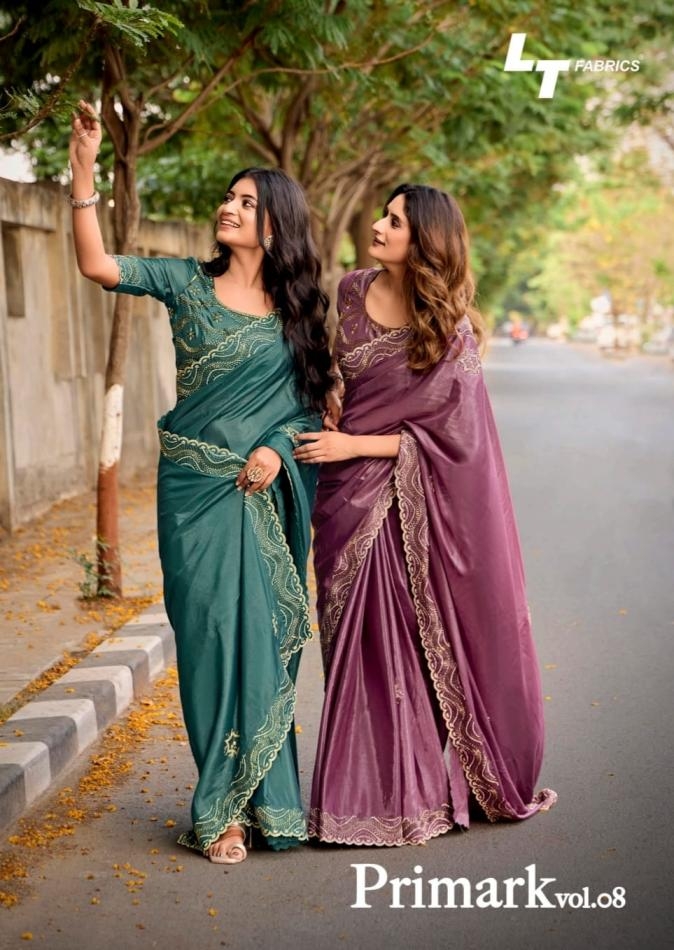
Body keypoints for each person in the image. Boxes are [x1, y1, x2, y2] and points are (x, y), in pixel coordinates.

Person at [69, 101, 333, 862]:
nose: (229, 207)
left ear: (275, 225)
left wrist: (278, 449)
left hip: (261, 494)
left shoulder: (298, 315)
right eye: (229, 196)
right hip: (194, 492)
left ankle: (260, 807)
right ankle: (220, 807)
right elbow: (99, 266)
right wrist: (83, 173)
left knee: (261, 640)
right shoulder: (186, 282)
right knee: (211, 638)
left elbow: (309, 408)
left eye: (247, 202)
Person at [293, 183, 556, 846]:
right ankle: (359, 789)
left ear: (425, 243)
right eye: (384, 215)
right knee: (349, 646)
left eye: (396, 222)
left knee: (393, 651)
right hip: (340, 497)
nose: (380, 227)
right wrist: (333, 397)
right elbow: (339, 373)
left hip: (398, 500)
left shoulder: (448, 330)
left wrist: (355, 444)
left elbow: (454, 440)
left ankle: (399, 798)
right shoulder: (351, 290)